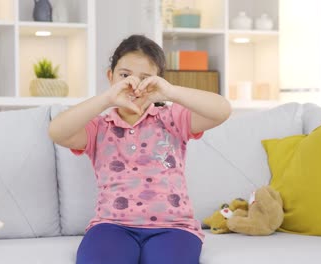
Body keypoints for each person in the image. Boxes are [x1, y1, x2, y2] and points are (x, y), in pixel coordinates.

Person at [49, 35, 231, 264]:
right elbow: (57, 132)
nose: (133, 85)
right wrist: (106, 99)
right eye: (124, 76)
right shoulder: (99, 127)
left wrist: (171, 92)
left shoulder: (172, 118)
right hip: (112, 227)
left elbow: (222, 110)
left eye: (145, 79)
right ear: (110, 76)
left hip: (174, 228)